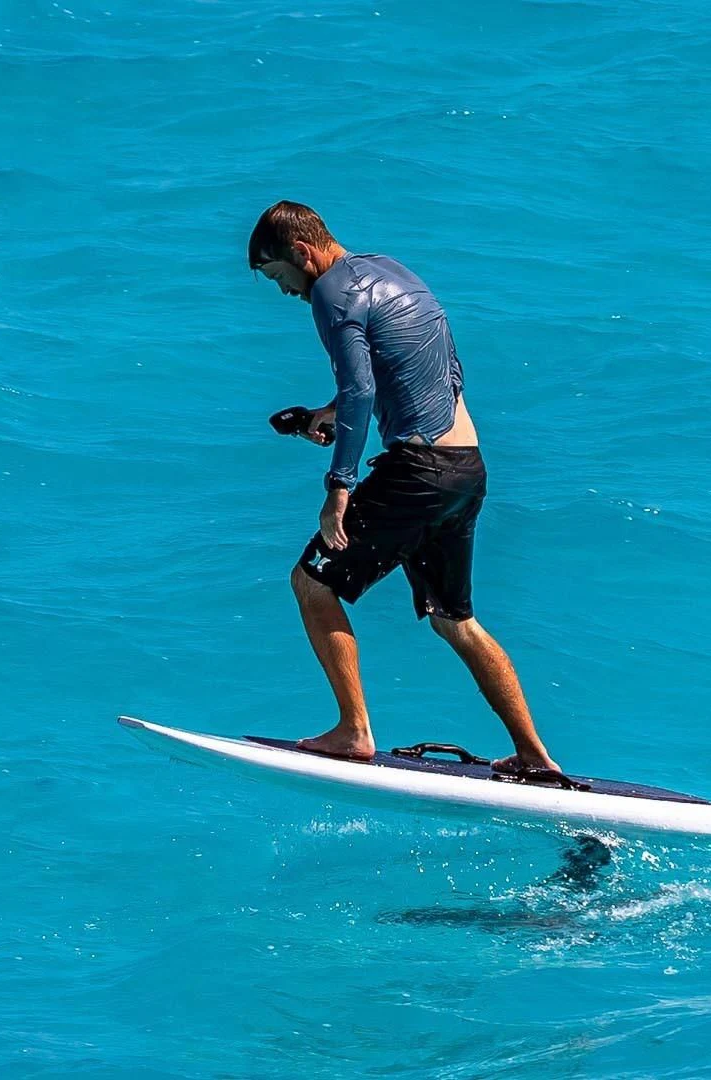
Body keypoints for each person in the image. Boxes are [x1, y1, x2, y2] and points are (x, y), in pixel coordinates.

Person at [247, 200, 561, 776]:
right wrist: (329, 412)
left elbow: (362, 391)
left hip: (419, 472)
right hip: (466, 466)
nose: (284, 290)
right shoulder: (392, 270)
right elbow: (437, 365)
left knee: (312, 582)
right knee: (455, 620)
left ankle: (353, 731)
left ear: (301, 253)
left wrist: (338, 487)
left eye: (278, 277)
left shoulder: (331, 294)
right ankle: (534, 754)